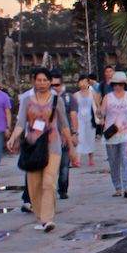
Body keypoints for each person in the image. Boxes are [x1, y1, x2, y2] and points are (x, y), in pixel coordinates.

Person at [5, 68, 70, 232]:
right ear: (34, 81)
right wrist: (13, 138)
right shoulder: (27, 100)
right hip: (33, 145)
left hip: (52, 145)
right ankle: (41, 216)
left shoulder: (57, 100)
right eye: (38, 80)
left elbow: (64, 124)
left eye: (44, 80)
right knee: (34, 185)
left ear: (49, 82)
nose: (42, 83)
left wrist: (71, 145)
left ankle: (48, 219)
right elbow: (21, 122)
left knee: (49, 183)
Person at [100, 71, 127, 197]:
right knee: (114, 162)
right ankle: (117, 187)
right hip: (111, 134)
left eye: (120, 84)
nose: (118, 87)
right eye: (115, 84)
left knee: (126, 160)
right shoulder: (107, 98)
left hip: (126, 133)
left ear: (124, 85)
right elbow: (101, 113)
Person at [49, 71, 79, 199]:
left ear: (61, 84)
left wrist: (74, 134)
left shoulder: (68, 98)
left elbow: (73, 116)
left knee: (64, 165)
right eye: (52, 85)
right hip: (51, 136)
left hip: (65, 134)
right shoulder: (47, 98)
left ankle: (63, 189)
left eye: (57, 85)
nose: (54, 87)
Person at [73, 73, 98, 169]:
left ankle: (91, 158)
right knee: (80, 138)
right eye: (80, 81)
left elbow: (97, 106)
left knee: (90, 138)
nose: (81, 83)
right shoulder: (76, 95)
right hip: (80, 120)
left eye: (83, 81)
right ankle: (78, 159)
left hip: (90, 119)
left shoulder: (93, 93)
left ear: (87, 82)